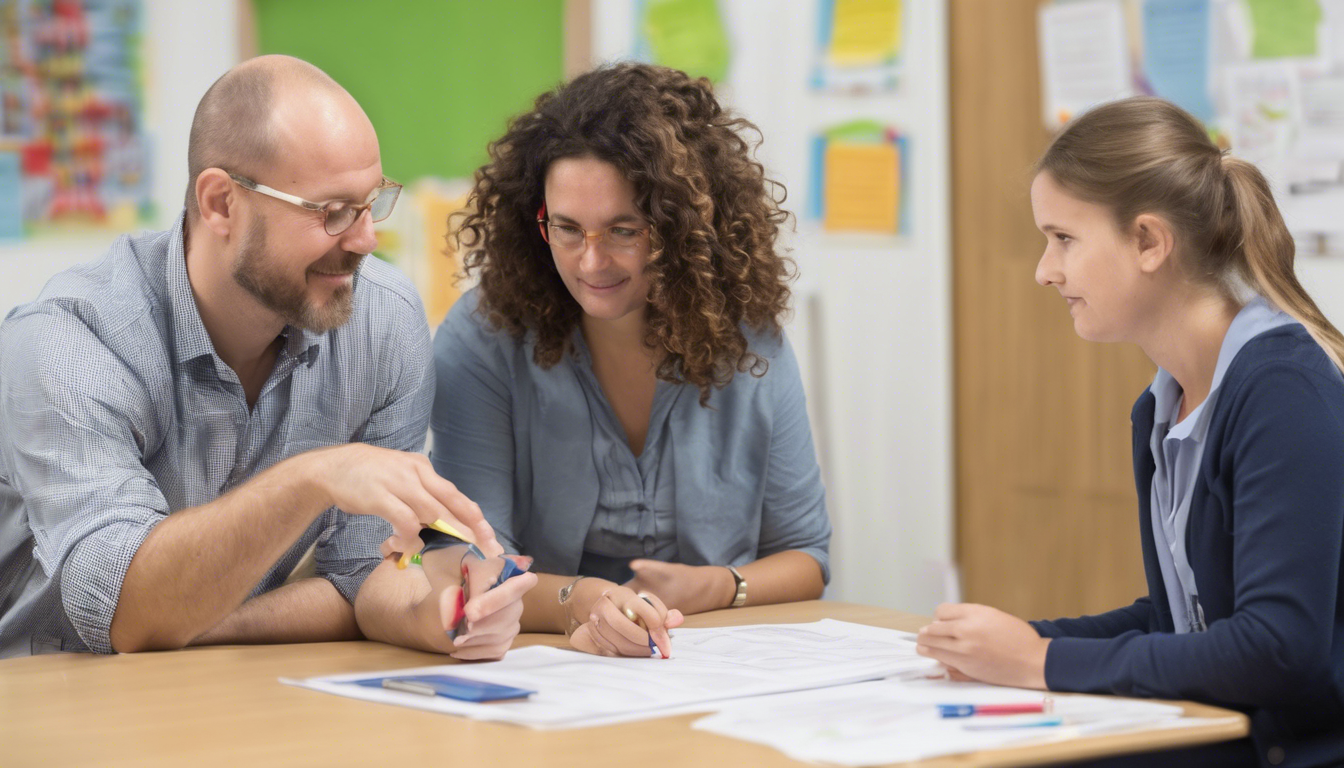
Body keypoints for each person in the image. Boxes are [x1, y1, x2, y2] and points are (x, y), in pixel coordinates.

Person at [0, 55, 536, 660]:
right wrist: (316, 475)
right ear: (222, 204)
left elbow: (364, 572)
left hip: (220, 694)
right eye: (333, 212)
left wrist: (443, 616)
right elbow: (126, 614)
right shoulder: (70, 344)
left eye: (372, 203)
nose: (364, 241)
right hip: (42, 703)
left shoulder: (381, 321)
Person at [916, 97, 1344, 767]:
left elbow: (1276, 649)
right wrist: (1013, 643)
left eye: (1063, 238)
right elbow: (1178, 622)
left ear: (1148, 242)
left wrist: (1042, 661)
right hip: (1225, 735)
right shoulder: (1160, 406)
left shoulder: (1282, 391)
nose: (1044, 269)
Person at [430, 62, 830, 657]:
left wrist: (719, 586)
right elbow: (469, 565)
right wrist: (584, 601)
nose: (591, 264)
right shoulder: (483, 338)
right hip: (545, 664)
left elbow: (809, 558)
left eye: (623, 230)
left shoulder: (746, 338)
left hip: (710, 663)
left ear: (684, 227)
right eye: (566, 228)